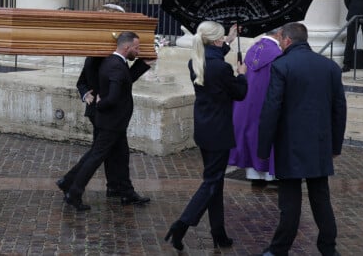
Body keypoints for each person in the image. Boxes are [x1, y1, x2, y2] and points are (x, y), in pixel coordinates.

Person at [258, 22, 347, 256]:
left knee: (290, 202)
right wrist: (335, 145)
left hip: (290, 144)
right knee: (321, 199)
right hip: (319, 144)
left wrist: (263, 147)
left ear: (287, 40)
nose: (279, 43)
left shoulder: (282, 65)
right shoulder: (329, 67)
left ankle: (279, 249)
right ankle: (328, 248)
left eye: (280, 40)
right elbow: (340, 109)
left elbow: (271, 108)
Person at [165, 22, 247, 251]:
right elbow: (240, 93)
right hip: (219, 132)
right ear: (216, 41)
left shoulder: (196, 62)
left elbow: (213, 55)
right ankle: (181, 225)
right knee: (212, 182)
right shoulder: (221, 68)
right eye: (222, 39)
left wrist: (229, 38)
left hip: (203, 128)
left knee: (216, 182)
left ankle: (218, 232)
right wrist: (241, 75)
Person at [63, 31, 153, 211]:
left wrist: (143, 64)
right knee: (96, 156)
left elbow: (124, 80)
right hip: (110, 119)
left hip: (115, 121)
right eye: (137, 47)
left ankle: (125, 191)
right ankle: (73, 191)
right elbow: (112, 94)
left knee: (121, 154)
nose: (140, 50)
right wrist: (100, 104)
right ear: (126, 47)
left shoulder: (113, 62)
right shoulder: (111, 64)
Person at [228, 28, 282, 186]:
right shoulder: (277, 53)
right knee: (265, 134)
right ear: (278, 34)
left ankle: (254, 176)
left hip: (248, 100)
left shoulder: (253, 48)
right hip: (266, 100)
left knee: (251, 134)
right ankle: (269, 176)